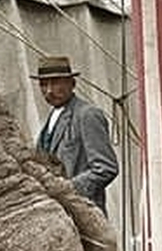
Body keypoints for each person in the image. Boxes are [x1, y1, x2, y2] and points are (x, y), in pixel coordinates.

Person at [31, 55, 119, 213]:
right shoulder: (49, 121)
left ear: (72, 83)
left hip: (85, 215)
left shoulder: (87, 115)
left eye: (56, 82)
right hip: (55, 215)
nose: (49, 90)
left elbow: (106, 168)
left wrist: (67, 189)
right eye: (43, 84)